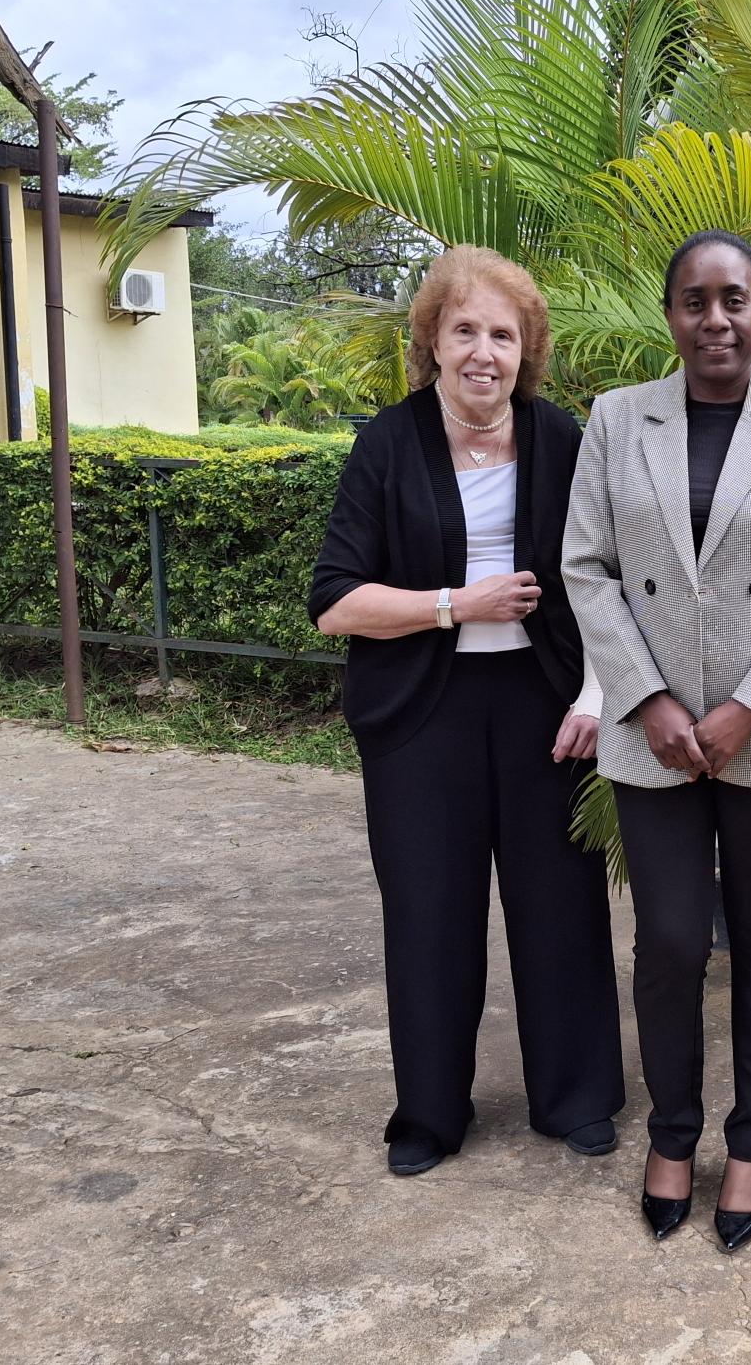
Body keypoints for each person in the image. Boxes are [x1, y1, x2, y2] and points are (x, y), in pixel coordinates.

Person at [562, 229, 751, 1252]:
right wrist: (644, 698)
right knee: (673, 943)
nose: (716, 320)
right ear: (671, 316)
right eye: (695, 301)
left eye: (734, 299)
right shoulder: (615, 421)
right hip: (656, 734)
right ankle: (673, 1133)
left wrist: (749, 707)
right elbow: (588, 568)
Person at [309, 244, 624, 1178]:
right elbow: (335, 601)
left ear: (527, 349)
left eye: (503, 334)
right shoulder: (387, 444)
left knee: (560, 906)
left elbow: (609, 580)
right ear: (433, 344)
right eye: (465, 332)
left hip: (545, 707)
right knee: (428, 911)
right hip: (421, 716)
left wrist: (600, 697)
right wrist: (457, 604)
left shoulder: (562, 440)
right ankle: (430, 1115)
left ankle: (575, 1097)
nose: (484, 352)